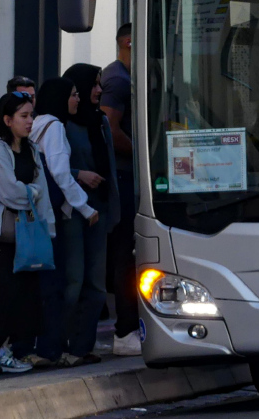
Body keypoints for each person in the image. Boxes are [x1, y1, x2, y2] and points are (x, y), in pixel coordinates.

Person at [0, 93, 55, 375]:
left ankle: (8, 351)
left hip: (27, 232)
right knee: (6, 291)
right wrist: (31, 193)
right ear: (7, 120)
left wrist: (49, 227)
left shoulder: (32, 149)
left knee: (24, 292)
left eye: (31, 115)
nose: (30, 121)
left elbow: (41, 188)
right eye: (23, 116)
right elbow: (9, 192)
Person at [27, 78, 101, 367]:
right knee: (59, 284)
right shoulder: (55, 126)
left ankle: (39, 345)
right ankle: (51, 347)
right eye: (72, 95)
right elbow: (60, 173)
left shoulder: (36, 123)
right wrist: (85, 207)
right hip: (53, 212)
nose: (77, 99)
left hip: (34, 211)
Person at [62, 64, 120, 365]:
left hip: (99, 208)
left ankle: (82, 347)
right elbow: (51, 167)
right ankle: (59, 344)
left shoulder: (99, 122)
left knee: (96, 285)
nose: (98, 91)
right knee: (73, 280)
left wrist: (114, 210)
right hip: (71, 211)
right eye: (94, 85)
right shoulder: (62, 124)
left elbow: (108, 164)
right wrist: (78, 174)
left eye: (101, 85)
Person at [100, 24, 140, 356]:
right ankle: (125, 330)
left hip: (129, 177)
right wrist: (144, 155)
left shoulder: (126, 76)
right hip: (124, 178)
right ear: (129, 43)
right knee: (125, 254)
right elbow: (110, 131)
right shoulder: (118, 80)